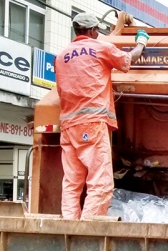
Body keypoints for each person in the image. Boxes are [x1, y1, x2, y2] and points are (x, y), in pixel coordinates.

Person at [54, 12, 148, 220]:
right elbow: (127, 61)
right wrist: (141, 43)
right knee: (100, 183)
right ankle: (88, 231)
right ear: (91, 30)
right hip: (92, 124)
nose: (98, 33)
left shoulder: (61, 56)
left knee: (72, 183)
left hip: (69, 126)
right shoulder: (100, 48)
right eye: (97, 29)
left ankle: (69, 228)